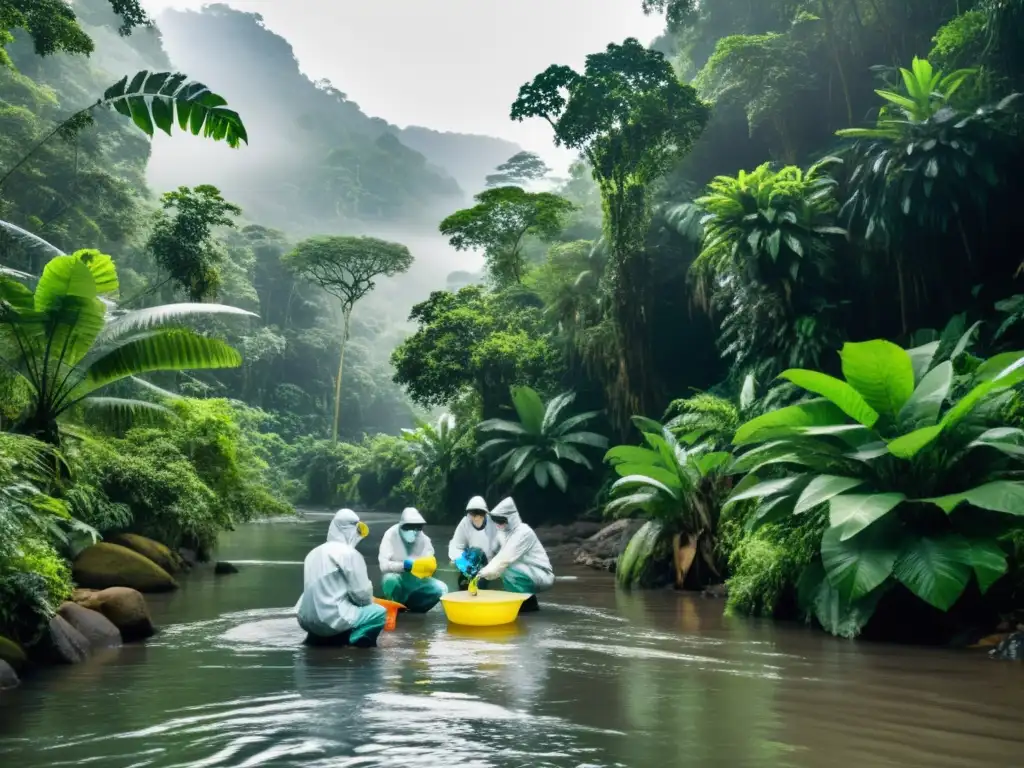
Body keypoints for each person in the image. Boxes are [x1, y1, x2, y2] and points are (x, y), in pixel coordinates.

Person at [295, 509, 387, 648]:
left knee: (331, 611)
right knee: (378, 613)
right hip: (330, 619)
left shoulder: (313, 553)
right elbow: (362, 595)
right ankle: (350, 644)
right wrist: (371, 601)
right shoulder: (350, 554)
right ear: (352, 529)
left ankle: (315, 641)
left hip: (305, 619)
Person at [478, 497, 554, 611]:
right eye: (496, 520)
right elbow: (491, 552)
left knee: (504, 568)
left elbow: (504, 558)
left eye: (501, 521)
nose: (498, 524)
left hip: (541, 574)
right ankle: (525, 604)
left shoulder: (523, 532)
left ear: (511, 518)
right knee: (499, 568)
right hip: (524, 571)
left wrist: (481, 574)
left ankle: (525, 605)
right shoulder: (503, 533)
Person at [378, 507, 448, 612]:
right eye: (410, 527)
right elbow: (383, 565)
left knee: (442, 589)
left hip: (416, 579)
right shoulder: (390, 535)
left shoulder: (424, 539)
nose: (414, 531)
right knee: (390, 580)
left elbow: (430, 559)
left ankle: (416, 610)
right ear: (402, 526)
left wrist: (426, 567)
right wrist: (402, 566)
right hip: (397, 577)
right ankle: (395, 607)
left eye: (417, 527)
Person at [448, 495, 499, 591]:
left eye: (480, 514)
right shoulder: (465, 523)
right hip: (472, 560)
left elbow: (502, 547)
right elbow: (456, 546)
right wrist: (461, 562)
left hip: (489, 561)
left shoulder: (493, 524)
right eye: (473, 514)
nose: (476, 518)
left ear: (485, 514)